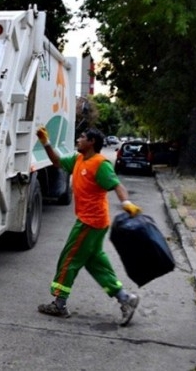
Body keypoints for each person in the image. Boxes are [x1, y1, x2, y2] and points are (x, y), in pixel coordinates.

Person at [36, 126, 143, 326]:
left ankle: (59, 304)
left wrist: (126, 203)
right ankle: (125, 298)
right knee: (95, 263)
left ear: (92, 142)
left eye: (82, 137)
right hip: (93, 222)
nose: (78, 139)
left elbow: (117, 185)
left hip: (90, 222)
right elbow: (57, 162)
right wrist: (46, 143)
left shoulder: (100, 164)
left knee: (69, 259)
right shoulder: (78, 159)